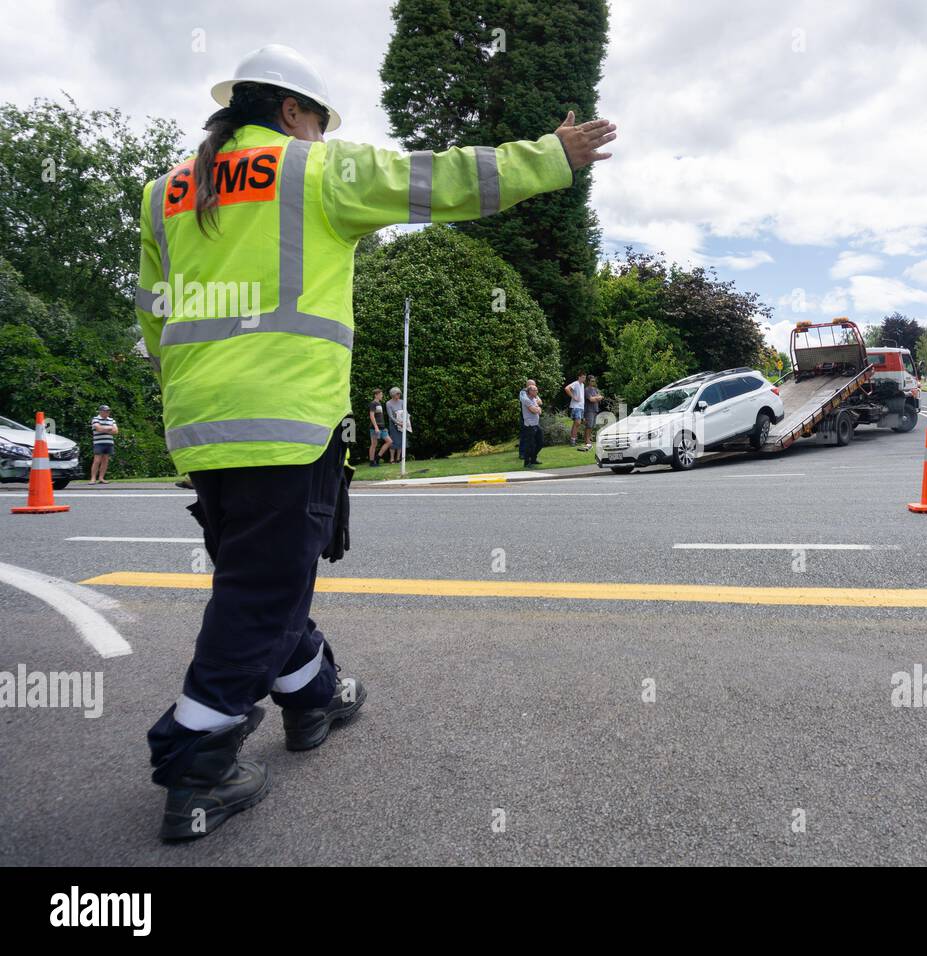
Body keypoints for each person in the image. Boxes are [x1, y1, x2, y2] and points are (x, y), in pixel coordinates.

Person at [135, 43, 616, 840]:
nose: (320, 137)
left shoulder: (165, 194)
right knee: (258, 592)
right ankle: (197, 762)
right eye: (318, 123)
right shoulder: (309, 172)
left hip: (199, 424)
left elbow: (155, 317)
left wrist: (191, 389)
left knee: (266, 576)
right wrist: (549, 157)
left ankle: (315, 696)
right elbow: (443, 180)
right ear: (293, 112)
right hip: (286, 421)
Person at [88, 404, 118, 484]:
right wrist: (109, 428)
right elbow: (98, 428)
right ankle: (93, 479)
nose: (107, 412)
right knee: (97, 461)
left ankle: (101, 478)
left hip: (109, 442)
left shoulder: (111, 420)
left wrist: (103, 429)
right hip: (99, 443)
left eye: (108, 411)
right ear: (101, 411)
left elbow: (116, 431)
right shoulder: (95, 419)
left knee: (105, 461)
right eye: (105, 411)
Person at [367, 388, 392, 467]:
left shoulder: (379, 404)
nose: (382, 396)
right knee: (374, 444)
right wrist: (376, 427)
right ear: (376, 395)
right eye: (380, 394)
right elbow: (372, 416)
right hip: (375, 427)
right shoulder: (373, 403)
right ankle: (371, 462)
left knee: (389, 441)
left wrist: (384, 427)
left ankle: (377, 458)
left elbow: (380, 417)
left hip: (382, 427)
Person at [521, 384, 543, 467]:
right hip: (529, 425)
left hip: (536, 424)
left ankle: (533, 459)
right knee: (530, 445)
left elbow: (539, 411)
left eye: (537, 390)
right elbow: (534, 410)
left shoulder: (534, 399)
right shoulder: (526, 400)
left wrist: (537, 409)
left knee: (540, 443)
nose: (537, 391)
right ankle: (527, 463)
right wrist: (537, 409)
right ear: (530, 391)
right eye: (535, 390)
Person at [386, 387, 410, 464]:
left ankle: (398, 458)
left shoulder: (402, 401)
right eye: (397, 393)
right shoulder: (388, 403)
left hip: (402, 424)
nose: (399, 395)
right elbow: (390, 416)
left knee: (401, 441)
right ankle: (392, 459)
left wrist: (406, 420)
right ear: (393, 394)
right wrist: (398, 423)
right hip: (394, 425)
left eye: (399, 393)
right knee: (393, 441)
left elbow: (405, 411)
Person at [583, 375, 603, 450]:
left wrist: (596, 398)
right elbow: (591, 399)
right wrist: (596, 398)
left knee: (592, 425)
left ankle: (588, 439)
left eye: (594, 381)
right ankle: (587, 440)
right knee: (589, 425)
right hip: (589, 410)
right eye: (592, 381)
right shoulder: (587, 390)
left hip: (595, 409)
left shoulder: (595, 389)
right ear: (588, 381)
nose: (593, 382)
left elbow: (600, 397)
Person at [566, 373, 587, 444]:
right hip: (576, 406)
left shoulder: (582, 385)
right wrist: (573, 397)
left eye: (585, 377)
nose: (584, 379)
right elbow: (567, 389)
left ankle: (573, 440)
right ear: (579, 377)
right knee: (577, 423)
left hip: (581, 407)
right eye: (583, 377)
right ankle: (573, 440)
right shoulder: (576, 383)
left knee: (577, 423)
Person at [518, 378, 536, 459]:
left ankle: (531, 453)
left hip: (533, 418)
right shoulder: (523, 392)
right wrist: (533, 406)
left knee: (532, 436)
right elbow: (525, 401)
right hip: (525, 417)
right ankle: (522, 453)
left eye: (534, 385)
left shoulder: (534, 392)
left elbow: (539, 402)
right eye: (532, 385)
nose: (534, 387)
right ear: (528, 385)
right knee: (524, 435)